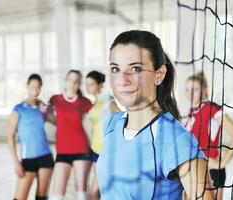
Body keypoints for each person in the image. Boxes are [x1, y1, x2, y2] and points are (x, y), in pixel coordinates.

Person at [96, 30, 215, 199]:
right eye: (115, 69)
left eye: (135, 68)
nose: (122, 80)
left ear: (159, 75)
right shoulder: (111, 124)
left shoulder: (176, 139)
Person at [185, 72, 233, 200]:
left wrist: (222, 163)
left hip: (210, 172)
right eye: (187, 89)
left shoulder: (212, 109)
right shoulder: (192, 112)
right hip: (193, 170)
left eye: (195, 89)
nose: (190, 93)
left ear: (205, 89)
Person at [8, 74, 54, 200]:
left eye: (38, 87)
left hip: (46, 157)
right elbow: (10, 137)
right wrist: (16, 163)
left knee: (41, 197)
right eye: (32, 87)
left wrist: (49, 109)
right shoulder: (18, 109)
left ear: (40, 89)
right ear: (27, 87)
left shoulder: (41, 108)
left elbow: (57, 122)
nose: (35, 90)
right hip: (28, 159)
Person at [49, 70, 92, 200]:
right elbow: (54, 120)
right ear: (65, 81)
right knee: (57, 195)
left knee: (81, 194)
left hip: (81, 149)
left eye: (76, 81)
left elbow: (96, 120)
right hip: (62, 151)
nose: (72, 84)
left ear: (79, 85)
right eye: (70, 80)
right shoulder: (55, 99)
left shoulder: (85, 102)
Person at [85, 71, 118, 200]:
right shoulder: (95, 101)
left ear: (100, 85)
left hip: (105, 151)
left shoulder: (107, 99)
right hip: (95, 150)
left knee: (93, 192)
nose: (88, 87)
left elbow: (122, 117)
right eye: (87, 84)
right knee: (95, 191)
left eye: (92, 84)